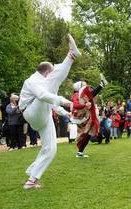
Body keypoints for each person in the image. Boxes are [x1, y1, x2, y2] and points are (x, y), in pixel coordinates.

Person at [19, 34, 81, 189]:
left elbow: (50, 103)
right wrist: (66, 101)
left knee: (51, 148)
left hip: (43, 115)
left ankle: (31, 179)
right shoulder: (32, 81)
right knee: (49, 89)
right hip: (31, 113)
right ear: (46, 72)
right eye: (52, 71)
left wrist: (65, 112)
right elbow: (42, 96)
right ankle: (71, 55)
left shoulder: (45, 83)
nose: (54, 74)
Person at [70, 77, 106, 158]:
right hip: (82, 119)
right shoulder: (76, 95)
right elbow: (76, 105)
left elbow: (91, 94)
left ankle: (80, 152)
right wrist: (84, 105)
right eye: (83, 85)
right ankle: (80, 151)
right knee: (85, 135)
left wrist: (100, 86)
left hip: (85, 118)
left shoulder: (83, 95)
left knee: (88, 134)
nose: (85, 86)